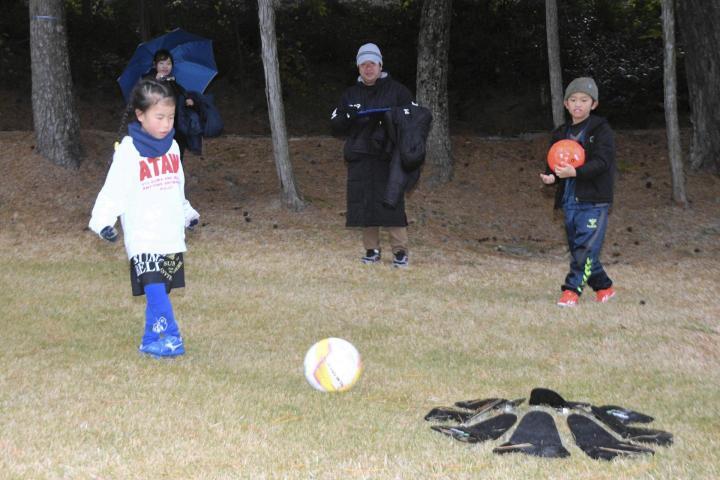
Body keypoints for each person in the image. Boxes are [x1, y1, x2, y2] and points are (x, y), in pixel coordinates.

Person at [90, 79, 200, 357]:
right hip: (143, 235)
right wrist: (103, 221)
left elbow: (178, 187)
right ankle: (171, 337)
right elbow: (113, 189)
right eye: (159, 117)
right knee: (154, 288)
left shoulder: (173, 148)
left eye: (171, 117)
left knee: (162, 289)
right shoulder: (129, 150)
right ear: (141, 115)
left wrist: (188, 213)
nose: (166, 123)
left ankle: (150, 340)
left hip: (169, 235)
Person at [331, 43, 414, 268]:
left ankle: (400, 252)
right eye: (363, 64)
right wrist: (346, 117)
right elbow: (335, 125)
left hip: (389, 158)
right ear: (358, 67)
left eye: (372, 64)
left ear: (380, 65)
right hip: (360, 157)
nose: (368, 68)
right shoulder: (350, 94)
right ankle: (372, 249)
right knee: (364, 204)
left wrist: (393, 118)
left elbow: (415, 118)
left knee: (391, 203)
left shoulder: (398, 91)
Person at [540, 77, 617, 307]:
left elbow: (603, 162)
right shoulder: (560, 133)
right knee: (580, 250)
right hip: (569, 202)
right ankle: (604, 286)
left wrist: (576, 172)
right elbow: (554, 162)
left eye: (584, 100)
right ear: (565, 104)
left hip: (594, 201)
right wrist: (551, 178)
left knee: (584, 249)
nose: (578, 104)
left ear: (593, 104)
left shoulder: (601, 131)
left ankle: (571, 291)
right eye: (573, 100)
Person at [143, 49, 194, 157]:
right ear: (155, 65)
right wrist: (155, 81)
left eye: (169, 63)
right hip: (158, 124)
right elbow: (144, 94)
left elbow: (181, 92)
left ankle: (175, 169)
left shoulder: (172, 80)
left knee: (178, 148)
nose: (165, 66)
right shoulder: (148, 78)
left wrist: (187, 98)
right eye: (161, 63)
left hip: (175, 123)